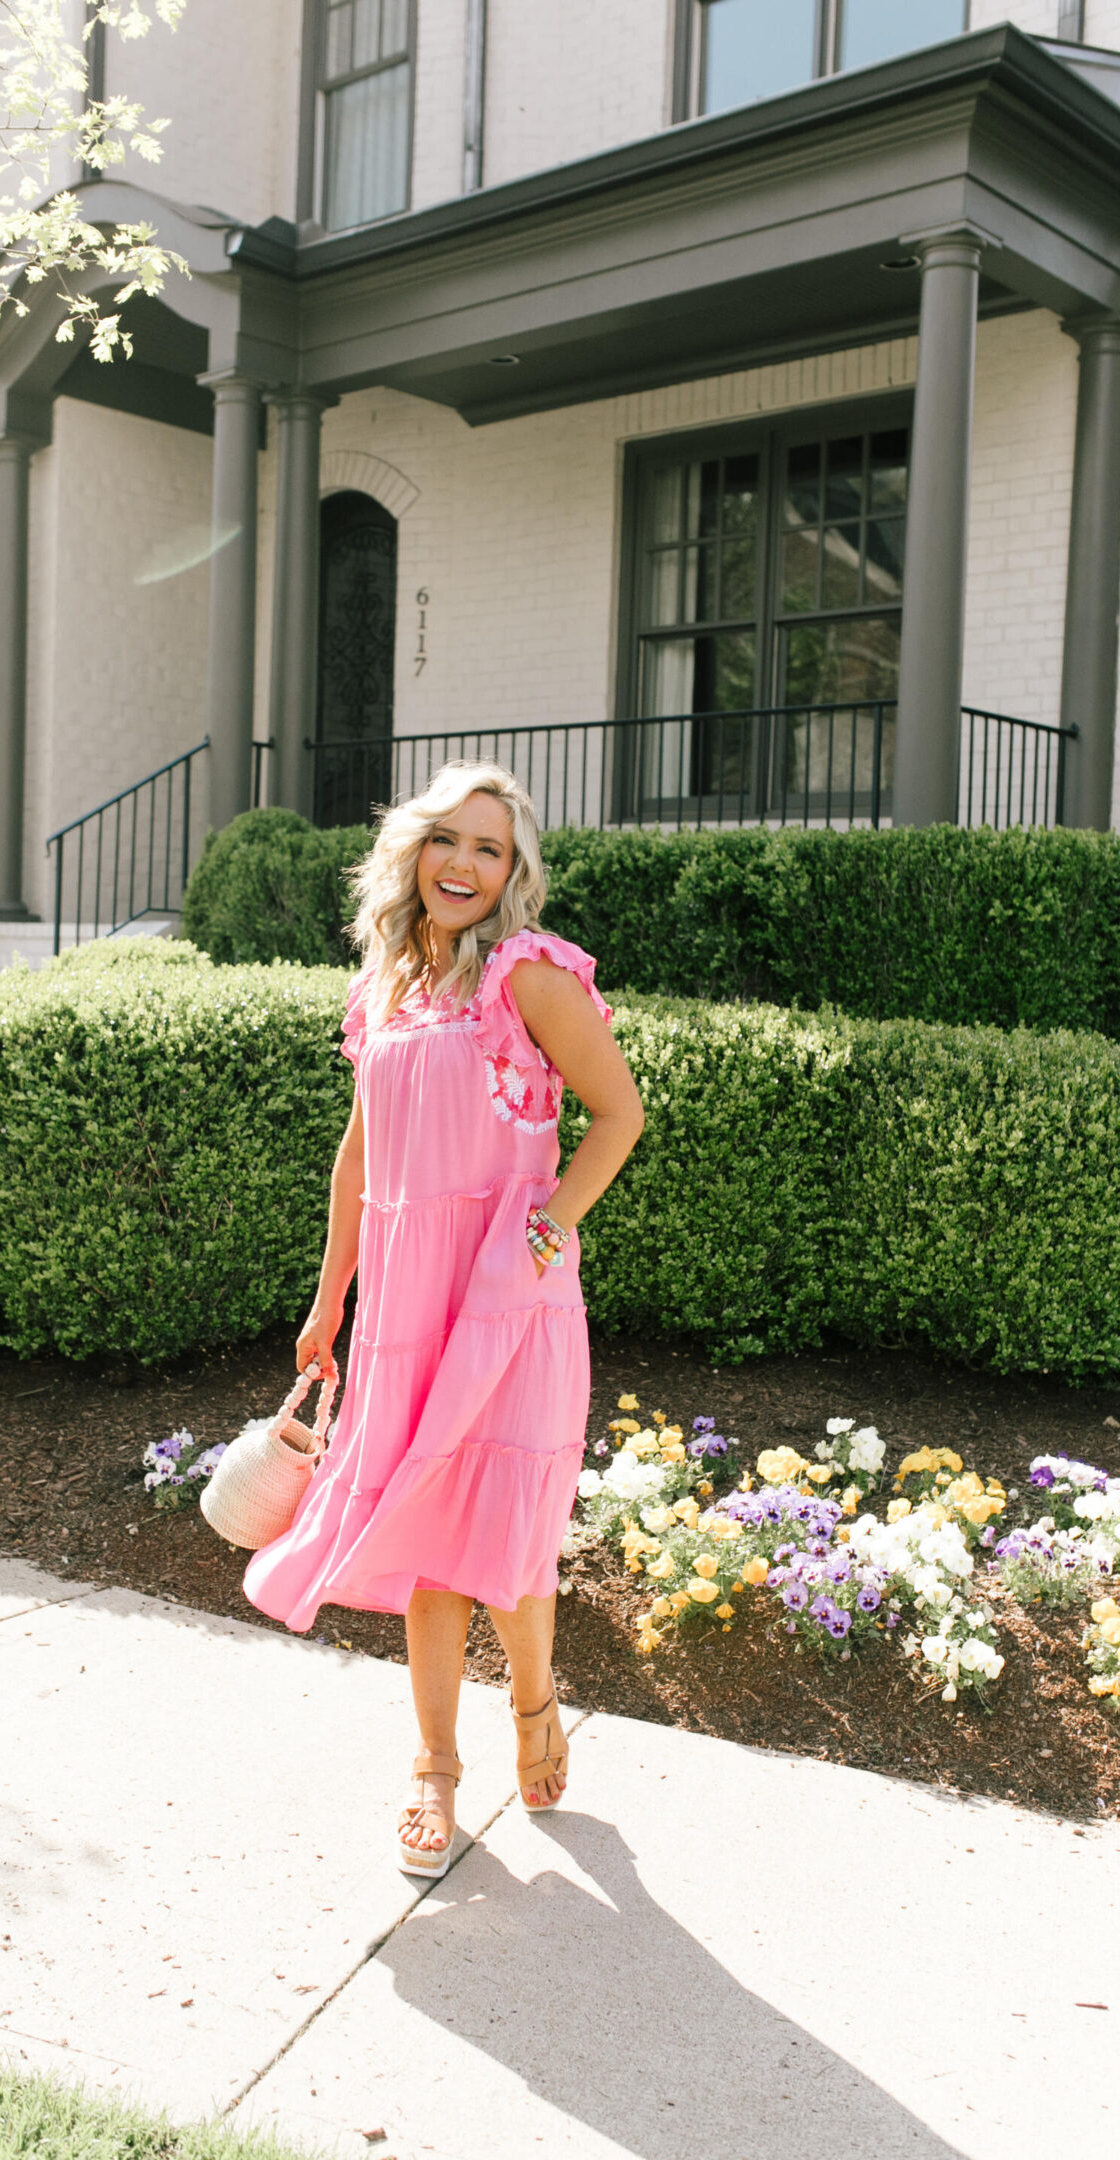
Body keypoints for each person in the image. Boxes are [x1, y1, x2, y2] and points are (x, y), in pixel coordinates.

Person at [244, 762, 644, 1877]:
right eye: (449, 842)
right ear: (413, 852)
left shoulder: (530, 973)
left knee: (504, 1526)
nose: (466, 865)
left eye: (492, 850)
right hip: (409, 1304)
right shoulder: (383, 987)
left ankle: (533, 1699)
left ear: (513, 875)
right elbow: (359, 1157)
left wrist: (550, 1224)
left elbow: (620, 1115)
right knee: (425, 1528)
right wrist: (331, 1296)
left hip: (511, 1289)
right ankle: (434, 1769)